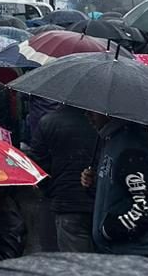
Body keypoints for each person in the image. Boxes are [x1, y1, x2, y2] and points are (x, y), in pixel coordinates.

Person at [83, 112, 148, 259]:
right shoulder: (112, 141)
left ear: (108, 113)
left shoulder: (131, 147)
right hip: (123, 251)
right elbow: (116, 193)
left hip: (136, 255)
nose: (88, 115)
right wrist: (93, 184)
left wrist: (110, 230)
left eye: (93, 113)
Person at [30, 104, 98, 252]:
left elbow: (38, 165)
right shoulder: (101, 123)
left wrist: (50, 190)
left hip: (66, 202)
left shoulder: (49, 122)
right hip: (100, 203)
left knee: (75, 262)